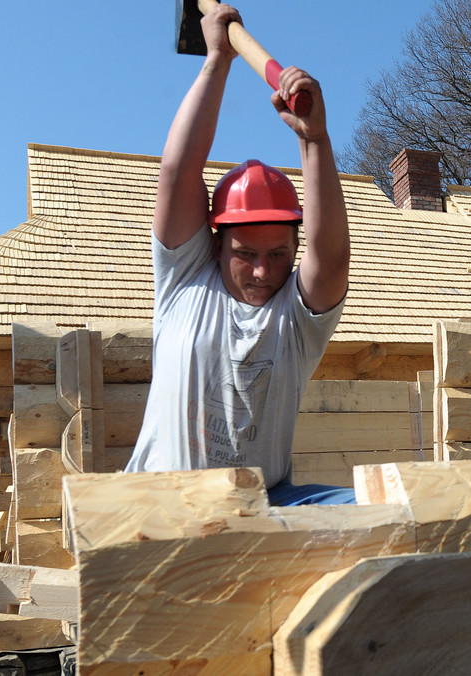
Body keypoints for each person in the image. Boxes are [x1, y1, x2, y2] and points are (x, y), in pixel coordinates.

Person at [125, 4, 353, 506]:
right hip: (162, 503)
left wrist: (314, 139)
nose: (261, 270)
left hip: (263, 506)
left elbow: (332, 257)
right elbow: (177, 174)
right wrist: (216, 61)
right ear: (215, 241)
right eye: (245, 253)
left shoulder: (295, 320)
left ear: (296, 248)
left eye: (278, 254)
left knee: (380, 509)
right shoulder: (185, 281)